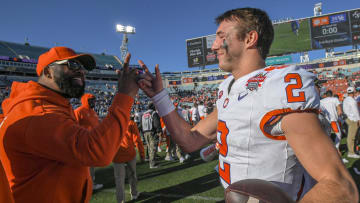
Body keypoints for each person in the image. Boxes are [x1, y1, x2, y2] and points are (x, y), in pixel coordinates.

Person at [137, 8, 358, 202]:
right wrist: (160, 96)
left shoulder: (278, 86)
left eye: (221, 36)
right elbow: (190, 140)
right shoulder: (229, 88)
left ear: (250, 38)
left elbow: (340, 187)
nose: (213, 46)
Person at [0, 46, 139, 202]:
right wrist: (125, 96)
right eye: (73, 65)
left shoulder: (48, 106)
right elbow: (98, 151)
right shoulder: (38, 114)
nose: (81, 71)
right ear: (48, 72)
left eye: (83, 68)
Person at [74, 93, 103, 190]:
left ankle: (90, 183)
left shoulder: (93, 112)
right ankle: (86, 184)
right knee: (85, 165)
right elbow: (72, 126)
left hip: (92, 142)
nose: (93, 102)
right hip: (83, 142)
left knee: (91, 164)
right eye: (91, 100)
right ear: (86, 100)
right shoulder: (79, 111)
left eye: (94, 100)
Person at [113, 115, 144, 203]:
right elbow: (137, 139)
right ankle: (134, 194)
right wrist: (142, 154)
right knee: (132, 176)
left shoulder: (112, 124)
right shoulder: (130, 123)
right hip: (129, 154)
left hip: (117, 155)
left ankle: (121, 201)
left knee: (119, 180)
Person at [141, 103, 161, 168]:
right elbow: (156, 123)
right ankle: (152, 164)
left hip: (145, 132)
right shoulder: (153, 113)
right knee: (153, 148)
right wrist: (159, 131)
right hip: (152, 132)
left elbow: (141, 124)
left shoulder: (144, 114)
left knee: (149, 148)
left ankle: (152, 161)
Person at [343, 87, 360, 159]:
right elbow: (355, 111)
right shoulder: (352, 101)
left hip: (348, 119)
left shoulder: (346, 99)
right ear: (353, 92)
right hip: (353, 119)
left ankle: (353, 151)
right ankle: (351, 152)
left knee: (352, 136)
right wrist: (359, 119)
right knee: (352, 137)